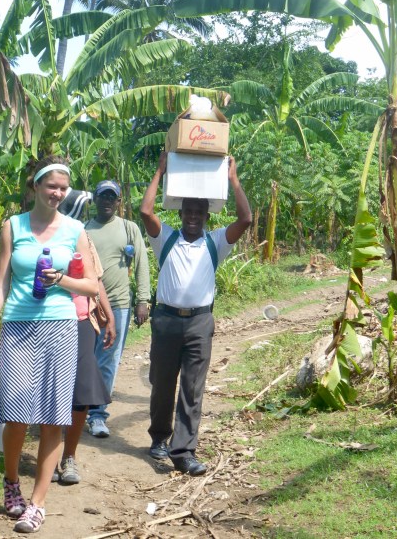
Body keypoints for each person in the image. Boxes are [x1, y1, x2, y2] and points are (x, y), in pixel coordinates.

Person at [0, 157, 99, 534]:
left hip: (60, 328)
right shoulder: (13, 226)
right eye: (52, 186)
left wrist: (62, 279)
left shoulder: (76, 229)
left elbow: (92, 285)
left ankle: (38, 503)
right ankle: (11, 482)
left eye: (64, 188)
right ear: (36, 186)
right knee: (15, 413)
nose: (58, 193)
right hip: (18, 326)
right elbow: (0, 283)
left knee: (52, 419)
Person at [139, 152, 251, 476]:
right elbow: (145, 210)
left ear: (205, 216)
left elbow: (245, 220)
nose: (191, 217)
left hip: (200, 323)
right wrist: (160, 171)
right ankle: (159, 437)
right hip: (166, 321)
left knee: (192, 388)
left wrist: (233, 180)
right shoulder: (167, 238)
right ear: (181, 212)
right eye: (187, 211)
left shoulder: (216, 243)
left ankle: (183, 451)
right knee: (162, 384)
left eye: (197, 212)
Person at [52, 190, 116, 485]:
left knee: (80, 394)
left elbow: (96, 280)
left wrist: (108, 315)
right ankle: (50, 457)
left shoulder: (83, 237)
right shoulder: (43, 237)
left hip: (81, 321)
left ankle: (69, 457)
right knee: (50, 392)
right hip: (48, 321)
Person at [83, 179, 151, 438]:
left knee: (108, 361)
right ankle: (79, 410)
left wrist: (143, 300)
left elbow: (142, 262)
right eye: (103, 197)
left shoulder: (128, 228)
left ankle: (98, 415)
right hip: (88, 305)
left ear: (119, 202)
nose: (107, 201)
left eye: (112, 197)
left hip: (120, 305)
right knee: (84, 359)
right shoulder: (83, 229)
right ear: (94, 200)